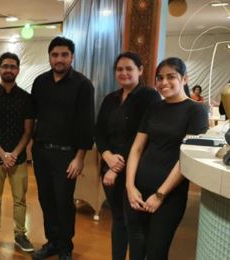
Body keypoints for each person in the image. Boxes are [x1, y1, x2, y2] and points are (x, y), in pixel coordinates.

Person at [125, 57, 208, 259]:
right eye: (159, 78)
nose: (164, 82)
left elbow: (185, 157)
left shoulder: (196, 110)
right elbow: (136, 148)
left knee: (156, 251)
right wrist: (129, 186)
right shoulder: (154, 108)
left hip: (169, 195)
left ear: (185, 79)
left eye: (171, 77)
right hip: (138, 189)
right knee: (136, 249)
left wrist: (160, 195)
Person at [31, 36, 95, 260]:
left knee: (63, 201)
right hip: (41, 152)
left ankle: (65, 246)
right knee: (45, 199)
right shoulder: (40, 82)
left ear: (72, 57)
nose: (59, 59)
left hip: (67, 155)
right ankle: (52, 242)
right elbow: (33, 117)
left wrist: (79, 158)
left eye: (64, 55)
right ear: (49, 57)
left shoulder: (83, 85)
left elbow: (86, 124)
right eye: (55, 55)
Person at [95, 52, 161, 260]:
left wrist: (116, 168)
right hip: (109, 167)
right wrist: (106, 156)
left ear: (140, 71)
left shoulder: (149, 96)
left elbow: (141, 138)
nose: (123, 73)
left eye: (129, 69)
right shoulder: (110, 99)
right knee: (118, 219)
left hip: (136, 171)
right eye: (119, 69)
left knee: (135, 224)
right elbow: (99, 132)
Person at [0, 52, 35, 253]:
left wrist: (13, 154)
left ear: (18, 70)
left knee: (20, 200)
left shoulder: (26, 98)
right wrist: (1, 152)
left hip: (19, 158)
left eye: (13, 66)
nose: (9, 70)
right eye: (5, 66)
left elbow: (28, 131)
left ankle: (20, 234)